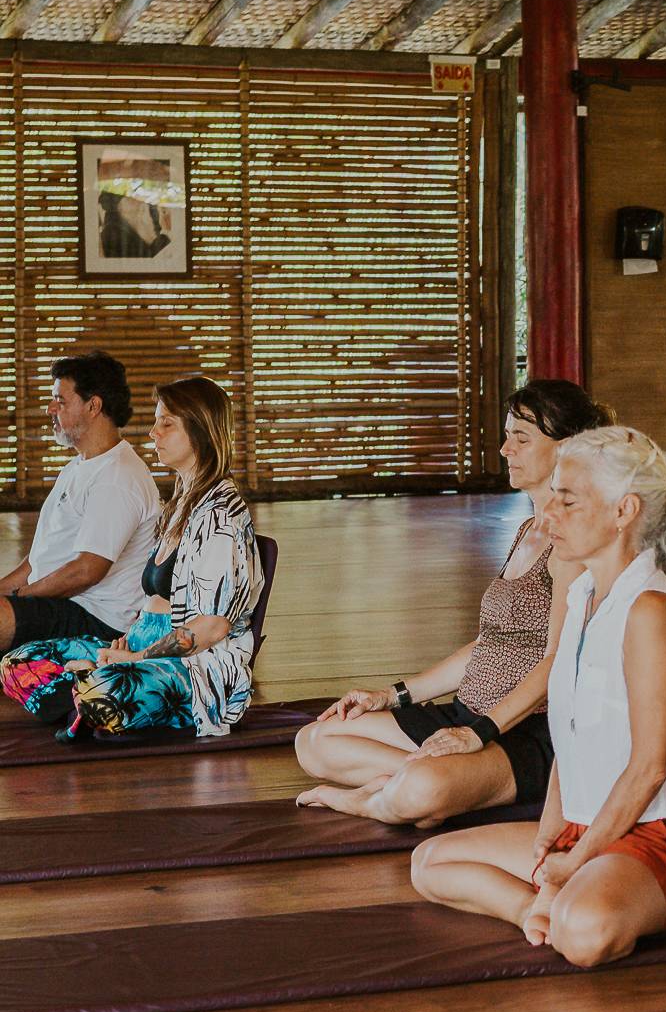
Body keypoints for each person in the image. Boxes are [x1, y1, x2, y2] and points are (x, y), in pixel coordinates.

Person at [409, 425, 666, 968]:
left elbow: (650, 770)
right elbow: (569, 738)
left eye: (567, 502)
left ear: (624, 511)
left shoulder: (650, 610)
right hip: (580, 825)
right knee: (429, 863)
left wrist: (577, 858)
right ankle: (533, 912)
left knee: (586, 932)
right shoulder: (582, 595)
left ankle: (566, 907)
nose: (548, 517)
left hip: (660, 834)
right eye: (552, 499)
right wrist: (550, 844)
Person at [293, 380, 611, 826]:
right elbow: (488, 644)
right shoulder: (527, 531)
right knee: (315, 740)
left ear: (566, 448)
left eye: (521, 438)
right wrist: (391, 695)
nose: (505, 449)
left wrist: (479, 734)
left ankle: (392, 792)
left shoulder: (571, 544)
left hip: (518, 731)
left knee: (424, 789)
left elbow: (557, 662)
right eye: (507, 436)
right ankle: (406, 786)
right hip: (465, 716)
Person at [0, 376, 262, 741]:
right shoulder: (179, 505)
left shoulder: (220, 517)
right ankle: (92, 697)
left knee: (101, 690)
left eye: (166, 424)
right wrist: (124, 645)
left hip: (192, 667)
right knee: (17, 663)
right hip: (141, 642)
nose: (153, 433)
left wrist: (137, 660)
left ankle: (92, 694)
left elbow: (212, 628)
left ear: (201, 431)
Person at [0, 350, 160, 657]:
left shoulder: (117, 476)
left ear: (93, 406)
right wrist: (7, 592)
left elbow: (87, 571)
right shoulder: (79, 466)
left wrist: (21, 598)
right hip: (63, 604)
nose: (50, 409)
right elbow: (38, 560)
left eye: (60, 401)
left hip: (98, 620)